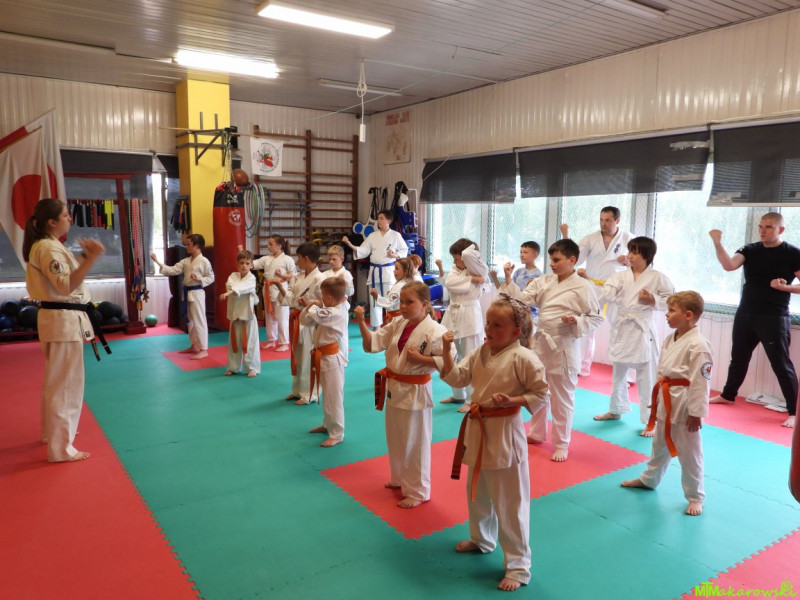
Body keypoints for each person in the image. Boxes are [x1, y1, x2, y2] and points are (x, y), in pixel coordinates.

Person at [438, 295, 549, 591]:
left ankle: (518, 566)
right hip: (479, 427)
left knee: (510, 503)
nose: (489, 329)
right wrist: (447, 351)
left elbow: (541, 395)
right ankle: (481, 539)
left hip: (504, 432)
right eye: (488, 322)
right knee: (478, 492)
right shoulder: (482, 350)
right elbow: (458, 378)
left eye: (498, 325)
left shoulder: (524, 357)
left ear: (516, 331)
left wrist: (512, 400)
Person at [500, 239, 603, 461]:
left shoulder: (583, 286)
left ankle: (561, 443)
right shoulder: (545, 280)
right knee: (537, 389)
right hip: (541, 343)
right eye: (551, 260)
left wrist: (576, 320)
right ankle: (537, 432)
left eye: (557, 260)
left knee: (562, 397)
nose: (552, 264)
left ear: (572, 260)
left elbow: (596, 317)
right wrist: (508, 280)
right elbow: (521, 300)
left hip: (563, 345)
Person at [23, 198, 106, 462]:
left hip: (59, 319)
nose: (69, 218)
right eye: (65, 215)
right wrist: (91, 259)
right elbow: (65, 286)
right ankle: (61, 448)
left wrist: (83, 257)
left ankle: (53, 435)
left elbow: (65, 277)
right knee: (66, 386)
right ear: (51, 221)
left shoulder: (49, 246)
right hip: (63, 321)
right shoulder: (48, 248)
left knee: (57, 382)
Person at [356, 282, 451, 508]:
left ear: (425, 304)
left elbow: (448, 364)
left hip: (416, 391)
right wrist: (360, 321)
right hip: (394, 387)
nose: (404, 306)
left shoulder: (436, 331)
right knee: (396, 437)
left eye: (410, 302)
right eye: (402, 302)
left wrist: (422, 360)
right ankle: (399, 478)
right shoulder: (398, 322)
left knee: (415, 443)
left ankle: (418, 491)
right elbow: (373, 343)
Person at [622, 291, 713, 516]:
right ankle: (649, 479)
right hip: (666, 397)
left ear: (688, 315)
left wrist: (696, 412)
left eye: (672, 310)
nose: (667, 314)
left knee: (689, 453)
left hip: (684, 405)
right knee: (659, 445)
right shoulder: (670, 338)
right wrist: (656, 401)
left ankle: (695, 496)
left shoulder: (699, 345)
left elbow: (701, 382)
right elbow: (662, 372)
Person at [709, 212, 800, 428]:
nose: (762, 231)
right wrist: (717, 243)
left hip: (773, 316)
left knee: (781, 364)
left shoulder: (792, 253)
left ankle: (794, 412)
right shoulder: (749, 249)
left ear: (781, 230)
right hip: (746, 313)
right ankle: (728, 395)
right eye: (760, 226)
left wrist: (784, 287)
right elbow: (729, 265)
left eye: (768, 227)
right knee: (738, 358)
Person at [594, 237, 674, 433]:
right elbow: (606, 292)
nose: (629, 256)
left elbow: (672, 299)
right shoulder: (620, 276)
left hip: (642, 328)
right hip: (623, 326)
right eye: (629, 251)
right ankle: (615, 409)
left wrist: (652, 300)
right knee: (618, 372)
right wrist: (602, 296)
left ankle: (651, 419)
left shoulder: (658, 277)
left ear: (647, 255)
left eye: (635, 252)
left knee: (646, 376)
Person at [562, 206, 634, 376]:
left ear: (617, 220)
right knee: (586, 326)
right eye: (601, 220)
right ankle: (581, 367)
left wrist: (627, 261)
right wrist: (565, 236)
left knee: (621, 328)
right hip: (593, 286)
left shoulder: (628, 238)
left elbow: (641, 261)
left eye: (607, 220)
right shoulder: (591, 238)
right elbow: (575, 258)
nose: (603, 223)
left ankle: (626, 373)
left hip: (617, 288)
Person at [435, 239, 489, 413]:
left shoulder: (480, 269)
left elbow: (475, 277)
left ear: (467, 258)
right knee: (453, 355)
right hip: (453, 314)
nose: (454, 261)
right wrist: (472, 279)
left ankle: (472, 399)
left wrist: (472, 273)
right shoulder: (456, 270)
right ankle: (458, 394)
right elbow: (450, 283)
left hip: (470, 315)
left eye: (457, 258)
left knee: (470, 357)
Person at [275, 242, 325, 405]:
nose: (297, 261)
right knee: (297, 355)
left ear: (306, 258)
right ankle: (297, 390)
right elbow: (290, 297)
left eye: (299, 258)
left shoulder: (320, 279)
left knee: (308, 357)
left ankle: (311, 393)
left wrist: (308, 304)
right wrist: (279, 286)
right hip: (297, 319)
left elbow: (324, 304)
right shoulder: (298, 276)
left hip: (310, 322)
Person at [302, 277, 350, 447]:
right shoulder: (329, 310)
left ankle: (337, 433)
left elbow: (316, 314)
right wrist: (311, 306)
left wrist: (313, 305)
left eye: (322, 295)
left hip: (332, 360)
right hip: (323, 358)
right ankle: (328, 424)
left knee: (333, 398)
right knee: (328, 396)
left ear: (329, 297)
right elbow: (305, 320)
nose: (321, 298)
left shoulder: (336, 312)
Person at [151, 234, 214, 360]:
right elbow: (173, 270)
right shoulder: (186, 261)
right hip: (188, 293)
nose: (186, 247)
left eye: (189, 244)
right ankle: (194, 345)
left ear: (197, 245)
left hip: (197, 293)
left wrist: (200, 279)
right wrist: (157, 262)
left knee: (199, 320)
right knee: (190, 322)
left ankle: (204, 349)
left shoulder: (204, 261)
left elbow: (211, 277)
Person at [342, 209, 408, 328]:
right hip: (374, 272)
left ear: (389, 220)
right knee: (374, 300)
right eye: (378, 218)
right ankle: (376, 327)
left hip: (388, 271)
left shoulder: (396, 235)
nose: (378, 221)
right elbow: (363, 250)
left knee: (390, 299)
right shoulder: (372, 235)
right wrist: (349, 244)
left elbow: (404, 250)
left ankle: (391, 325)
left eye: (381, 218)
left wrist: (395, 255)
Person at [220, 250, 260, 378]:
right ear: (237, 264)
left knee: (251, 342)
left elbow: (244, 288)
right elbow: (229, 285)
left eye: (247, 263)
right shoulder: (233, 276)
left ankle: (252, 368)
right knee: (234, 342)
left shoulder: (252, 278)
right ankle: (233, 367)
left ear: (251, 265)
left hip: (248, 314)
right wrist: (231, 290)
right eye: (241, 263)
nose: (244, 266)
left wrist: (229, 293)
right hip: (235, 313)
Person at [252, 235, 295, 352]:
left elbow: (293, 274)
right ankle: (271, 340)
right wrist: (243, 255)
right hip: (267, 289)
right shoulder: (267, 258)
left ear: (279, 246)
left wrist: (282, 275)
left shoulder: (287, 259)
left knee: (282, 317)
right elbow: (253, 264)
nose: (268, 246)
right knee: (269, 316)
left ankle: (284, 342)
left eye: (271, 244)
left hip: (280, 289)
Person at [372, 257, 416, 324]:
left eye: (397, 269)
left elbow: (389, 303)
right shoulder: (409, 282)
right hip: (405, 316)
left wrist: (376, 296)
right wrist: (391, 294)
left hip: (396, 317)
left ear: (406, 271)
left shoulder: (399, 286)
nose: (394, 271)